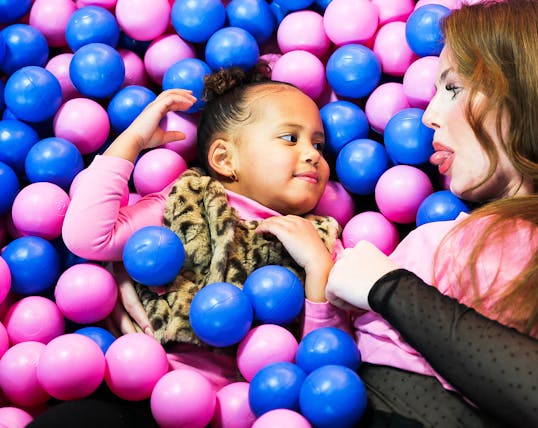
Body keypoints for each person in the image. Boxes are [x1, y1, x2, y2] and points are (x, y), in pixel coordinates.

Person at [322, 1, 538, 427]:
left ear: (525, 89)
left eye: (452, 88)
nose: (428, 117)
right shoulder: (452, 229)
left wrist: (387, 287)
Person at [29, 64, 346, 427]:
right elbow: (88, 236)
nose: (313, 155)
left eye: (318, 144)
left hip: (250, 409)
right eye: (291, 139)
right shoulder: (187, 200)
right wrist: (132, 140)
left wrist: (319, 269)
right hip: (143, 389)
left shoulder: (321, 240)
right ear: (225, 159)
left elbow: (329, 364)